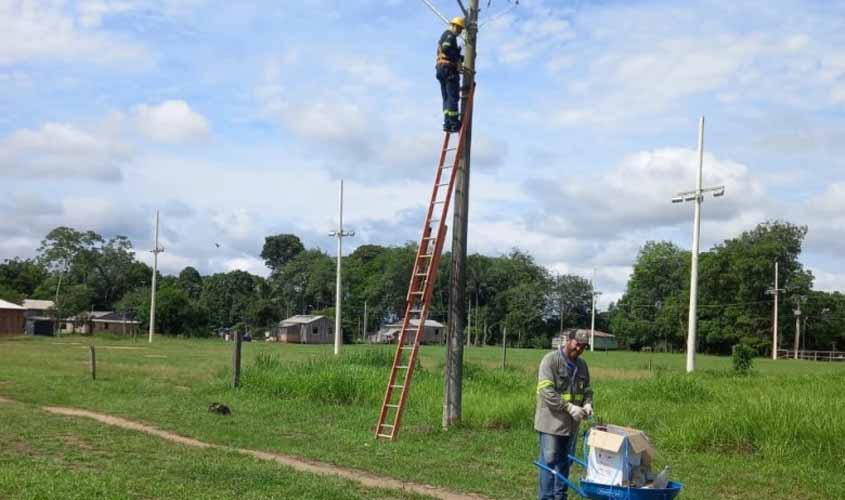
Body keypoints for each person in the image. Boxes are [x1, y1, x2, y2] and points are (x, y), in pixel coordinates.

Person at [535, 329, 594, 500]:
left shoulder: (582, 365)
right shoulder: (550, 360)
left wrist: (588, 403)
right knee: (550, 462)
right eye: (577, 344)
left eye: (583, 346)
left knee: (565, 462)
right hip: (551, 424)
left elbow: (588, 389)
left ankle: (560, 497)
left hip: (571, 425)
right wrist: (568, 407)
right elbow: (546, 391)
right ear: (568, 340)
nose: (579, 349)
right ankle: (546, 498)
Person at [436, 16, 465, 133]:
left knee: (447, 98)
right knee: (453, 96)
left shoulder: (444, 36)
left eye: (460, 29)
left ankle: (447, 123)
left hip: (441, 69)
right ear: (452, 26)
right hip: (448, 69)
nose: (459, 31)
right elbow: (447, 48)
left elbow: (446, 51)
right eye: (458, 28)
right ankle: (453, 123)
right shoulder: (449, 35)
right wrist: (458, 57)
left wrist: (459, 57)